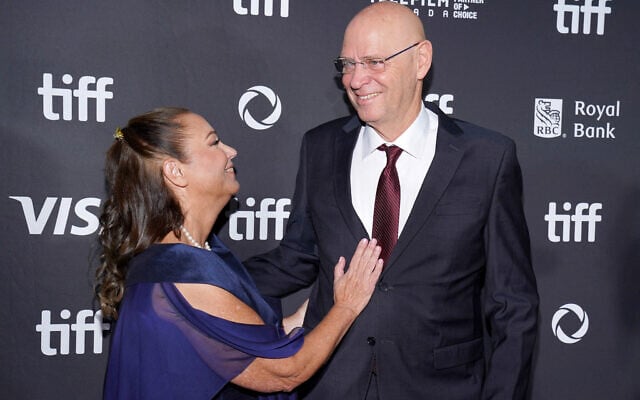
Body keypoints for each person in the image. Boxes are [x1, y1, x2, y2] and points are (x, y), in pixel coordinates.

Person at [245, 3, 539, 400]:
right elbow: (296, 259)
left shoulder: (487, 157)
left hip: (442, 389)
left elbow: (512, 304)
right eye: (347, 64)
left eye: (374, 61)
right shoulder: (321, 147)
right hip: (332, 386)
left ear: (421, 60)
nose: (356, 79)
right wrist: (194, 275)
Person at [95, 107, 383, 400]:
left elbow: (246, 343)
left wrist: (325, 296)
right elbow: (285, 371)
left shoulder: (197, 255)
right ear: (175, 171)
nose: (230, 151)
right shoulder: (181, 270)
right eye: (214, 142)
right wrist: (346, 307)